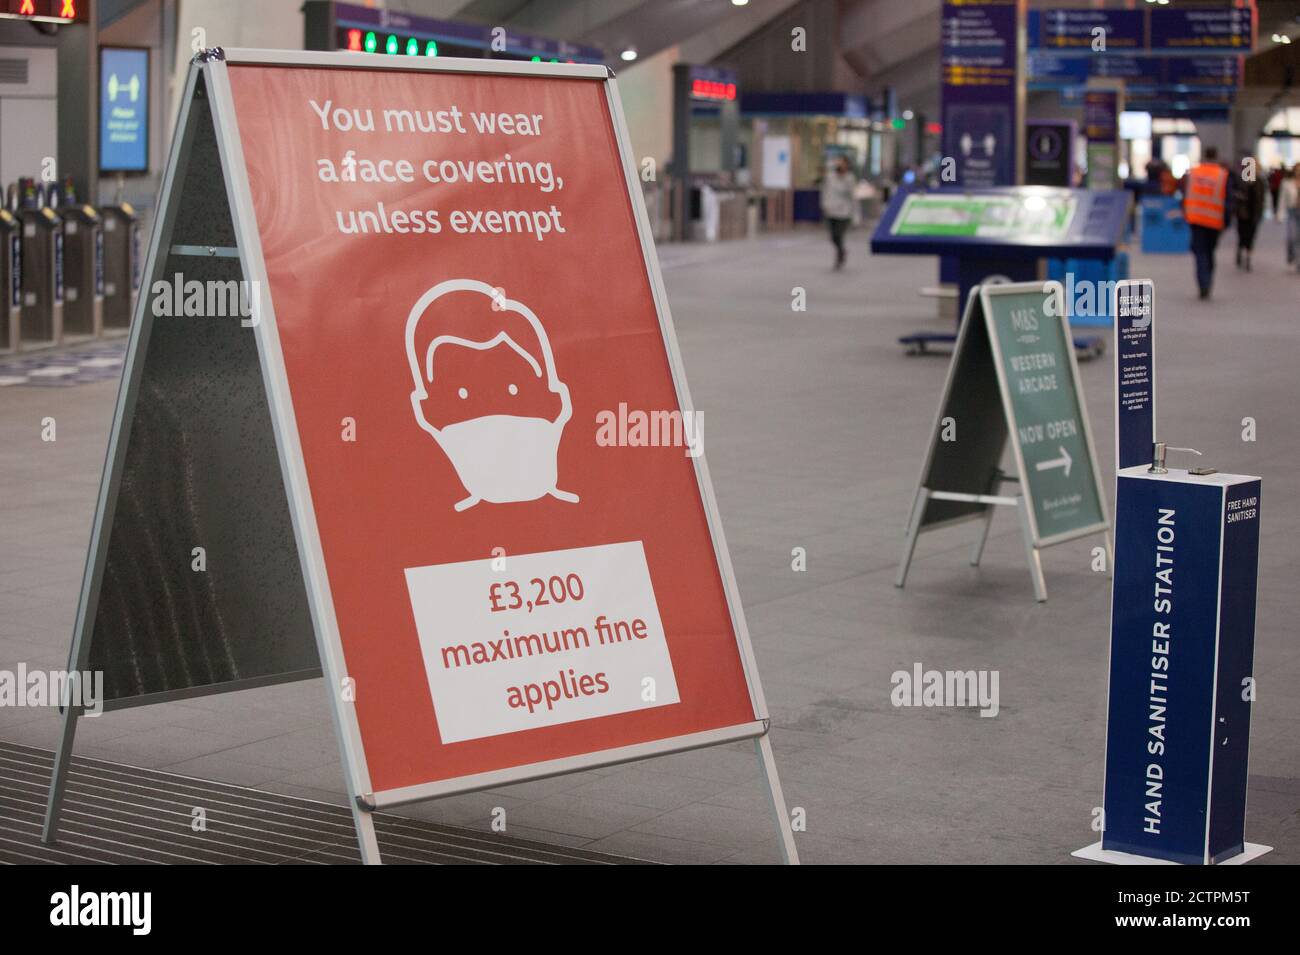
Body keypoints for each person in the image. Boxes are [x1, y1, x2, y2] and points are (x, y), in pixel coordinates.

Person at [1182, 147, 1229, 299]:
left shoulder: (1193, 173)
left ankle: (1204, 283)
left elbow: (1184, 194)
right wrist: (1226, 222)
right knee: (1209, 252)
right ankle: (1207, 281)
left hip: (1196, 220)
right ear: (1216, 156)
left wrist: (1186, 213)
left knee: (1200, 253)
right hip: (1214, 221)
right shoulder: (1222, 175)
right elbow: (1228, 201)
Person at [1231, 152, 1267, 271]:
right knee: (1242, 234)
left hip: (1254, 214)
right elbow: (1235, 194)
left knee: (1251, 236)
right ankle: (1241, 251)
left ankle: (1247, 256)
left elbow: (1261, 199)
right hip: (1243, 214)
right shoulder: (1242, 180)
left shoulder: (1260, 181)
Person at [820, 156, 857, 269]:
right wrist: (824, 204)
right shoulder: (830, 177)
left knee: (838, 235)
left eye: (842, 163)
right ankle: (842, 251)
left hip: (844, 212)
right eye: (838, 162)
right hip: (831, 210)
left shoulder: (850, 178)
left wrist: (855, 214)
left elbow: (852, 195)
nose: (839, 165)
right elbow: (825, 191)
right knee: (832, 237)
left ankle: (840, 255)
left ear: (847, 165)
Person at [1282, 165, 1300, 270]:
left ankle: (1298, 261)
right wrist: (1280, 213)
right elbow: (1282, 199)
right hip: (1292, 212)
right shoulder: (1287, 183)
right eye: (1297, 170)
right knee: (1291, 236)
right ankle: (1291, 254)